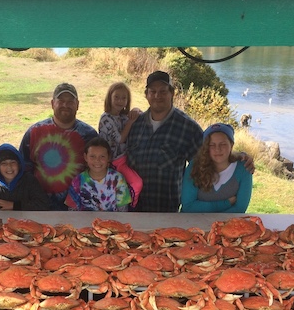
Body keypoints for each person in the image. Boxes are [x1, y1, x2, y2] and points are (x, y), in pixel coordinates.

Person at [127, 70, 254, 212]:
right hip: (133, 207)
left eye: (163, 91)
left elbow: (212, 153)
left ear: (172, 93)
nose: (157, 96)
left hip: (165, 210)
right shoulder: (134, 124)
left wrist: (240, 156)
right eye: (153, 91)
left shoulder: (188, 127)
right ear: (146, 95)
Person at [19, 82, 98, 210]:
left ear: (77, 105)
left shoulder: (89, 135)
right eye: (61, 101)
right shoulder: (34, 132)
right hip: (39, 207)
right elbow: (22, 169)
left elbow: (99, 170)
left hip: (80, 208)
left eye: (70, 101)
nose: (65, 105)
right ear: (52, 104)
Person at [180, 123, 252, 213]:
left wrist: (217, 225)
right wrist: (226, 203)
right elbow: (188, 207)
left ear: (231, 145)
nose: (217, 149)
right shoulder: (194, 166)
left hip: (227, 226)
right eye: (212, 145)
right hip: (191, 224)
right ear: (206, 148)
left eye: (223, 144)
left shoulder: (243, 168)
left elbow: (239, 209)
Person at [98, 82, 143, 208]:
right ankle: (130, 207)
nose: (120, 101)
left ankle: (130, 206)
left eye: (124, 98)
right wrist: (130, 121)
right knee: (135, 183)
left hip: (125, 158)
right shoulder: (106, 118)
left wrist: (136, 110)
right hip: (113, 161)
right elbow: (120, 139)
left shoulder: (123, 117)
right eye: (116, 97)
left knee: (133, 184)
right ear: (110, 98)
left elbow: (140, 116)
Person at [0, 144, 49, 211]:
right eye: (4, 163)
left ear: (19, 165)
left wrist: (14, 205)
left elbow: (43, 203)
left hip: (26, 223)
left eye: (13, 162)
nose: (9, 167)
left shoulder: (29, 181)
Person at [65, 137, 131, 212]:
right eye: (92, 156)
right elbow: (72, 210)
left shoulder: (118, 179)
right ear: (85, 157)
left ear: (108, 157)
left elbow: (123, 211)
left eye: (102, 156)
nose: (97, 160)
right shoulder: (78, 181)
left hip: (111, 222)